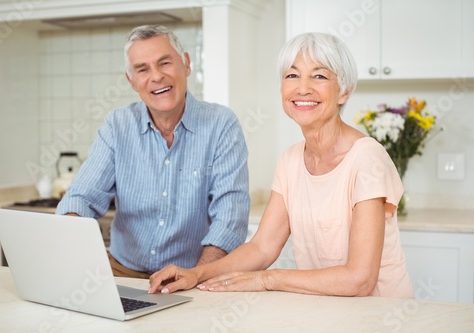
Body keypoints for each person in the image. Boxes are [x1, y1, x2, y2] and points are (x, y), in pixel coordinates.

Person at [149, 32, 414, 298]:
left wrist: (268, 279)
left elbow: (359, 279)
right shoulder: (290, 160)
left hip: (382, 316)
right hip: (329, 312)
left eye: (319, 76)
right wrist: (196, 273)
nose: (303, 88)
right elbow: (262, 248)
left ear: (344, 91)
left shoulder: (367, 158)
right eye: (292, 75)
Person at [56, 25, 250, 278]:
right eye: (142, 69)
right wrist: (72, 233)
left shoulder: (221, 124)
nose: (156, 76)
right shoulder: (118, 125)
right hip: (122, 271)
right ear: (132, 81)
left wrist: (197, 276)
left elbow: (230, 217)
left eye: (165, 63)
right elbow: (82, 197)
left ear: (186, 64)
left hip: (191, 273)